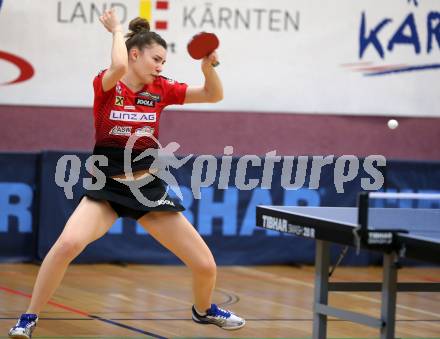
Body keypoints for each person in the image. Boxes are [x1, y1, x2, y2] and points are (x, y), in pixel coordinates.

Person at [8, 8, 245, 339]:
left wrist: (210, 67)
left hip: (147, 187)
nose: (161, 67)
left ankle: (204, 310)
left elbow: (212, 94)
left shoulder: (162, 89)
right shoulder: (107, 85)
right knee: (66, 246)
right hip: (107, 187)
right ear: (135, 54)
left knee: (205, 265)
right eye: (156, 59)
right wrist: (117, 30)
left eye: (164, 61)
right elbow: (118, 66)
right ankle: (28, 317)